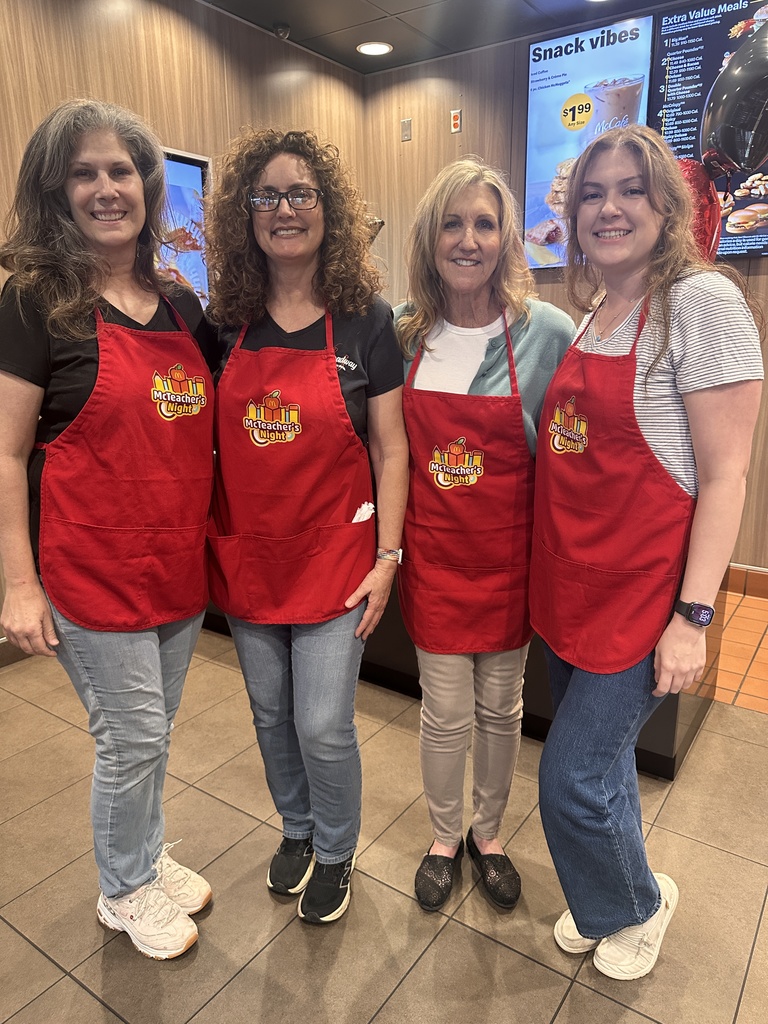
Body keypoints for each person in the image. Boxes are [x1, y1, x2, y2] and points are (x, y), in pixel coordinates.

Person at [529, 124, 763, 980]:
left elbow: (726, 476)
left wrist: (694, 620)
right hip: (570, 587)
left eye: (631, 189)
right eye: (592, 193)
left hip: (642, 598)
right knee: (603, 766)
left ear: (668, 206)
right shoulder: (599, 308)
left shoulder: (701, 303)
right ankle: (623, 890)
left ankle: (632, 903)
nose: (609, 208)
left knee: (571, 779)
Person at [0, 100, 215, 960]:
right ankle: (122, 887)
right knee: (130, 737)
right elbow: (7, 453)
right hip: (89, 567)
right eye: (84, 172)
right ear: (57, 187)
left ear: (147, 185)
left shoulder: (178, 302)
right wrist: (18, 583)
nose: (105, 188)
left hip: (173, 565)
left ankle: (143, 852)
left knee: (152, 729)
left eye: (120, 170)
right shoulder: (31, 301)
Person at [205, 128, 408, 924]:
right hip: (251, 555)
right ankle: (296, 829)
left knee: (322, 723)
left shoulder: (366, 320)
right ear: (245, 213)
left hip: (336, 561)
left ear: (329, 209)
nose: (285, 210)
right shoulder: (223, 322)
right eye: (267, 196)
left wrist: (389, 555)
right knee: (267, 714)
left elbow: (392, 450)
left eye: (301, 194)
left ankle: (337, 846)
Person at [395, 158, 574, 912]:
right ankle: (443, 837)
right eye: (453, 222)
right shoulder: (405, 333)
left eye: (486, 224)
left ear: (507, 240)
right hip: (434, 558)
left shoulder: (547, 333)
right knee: (442, 711)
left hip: (508, 562)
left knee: (503, 706)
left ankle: (488, 835)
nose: (468, 240)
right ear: (431, 236)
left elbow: (574, 452)